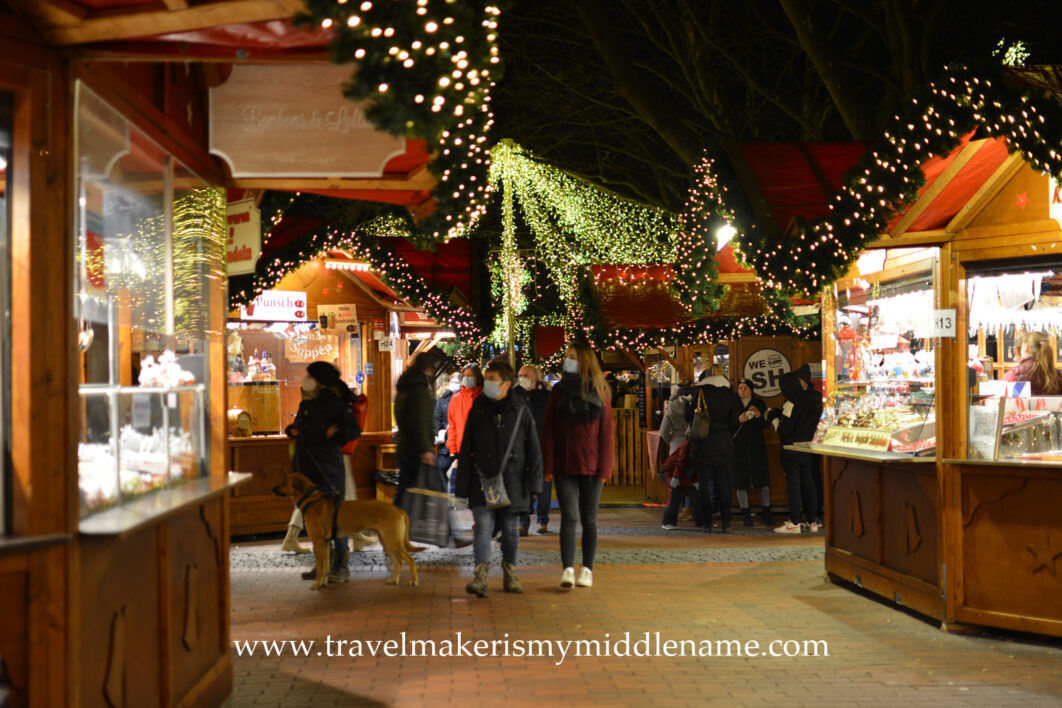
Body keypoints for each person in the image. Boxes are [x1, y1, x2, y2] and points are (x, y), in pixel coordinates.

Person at [456, 361, 543, 597]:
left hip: (514, 481)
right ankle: (481, 576)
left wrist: (535, 485)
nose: (488, 383)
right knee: (483, 528)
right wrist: (461, 487)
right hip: (482, 480)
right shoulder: (478, 409)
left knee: (510, 529)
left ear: (506, 384)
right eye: (487, 378)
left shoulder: (520, 409)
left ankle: (510, 573)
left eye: (492, 379)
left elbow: (534, 448)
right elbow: (466, 448)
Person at [542, 341, 615, 589]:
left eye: (572, 356)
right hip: (564, 465)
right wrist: (549, 466)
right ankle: (567, 570)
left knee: (589, 519)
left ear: (584, 360)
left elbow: (607, 433)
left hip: (593, 466)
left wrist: (606, 469)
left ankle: (587, 569)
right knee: (568, 518)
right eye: (566, 356)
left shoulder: (600, 390)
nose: (567, 360)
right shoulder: (558, 391)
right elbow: (549, 430)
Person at [285, 361, 360, 582]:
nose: (305, 379)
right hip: (307, 466)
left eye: (310, 376)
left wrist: (332, 435)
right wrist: (294, 429)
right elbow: (299, 423)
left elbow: (352, 430)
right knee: (313, 517)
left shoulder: (335, 403)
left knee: (335, 515)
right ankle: (322, 565)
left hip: (327, 467)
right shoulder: (309, 401)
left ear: (320, 380)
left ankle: (340, 565)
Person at [767, 364, 823, 533]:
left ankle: (795, 522)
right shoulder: (812, 399)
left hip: (790, 448)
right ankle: (812, 521)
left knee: (794, 485)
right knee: (808, 483)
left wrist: (773, 419)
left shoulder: (791, 403)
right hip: (807, 447)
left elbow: (785, 430)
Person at [686, 366, 741, 533]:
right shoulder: (730, 395)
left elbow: (687, 416)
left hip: (703, 443)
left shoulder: (700, 393)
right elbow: (734, 422)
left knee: (704, 484)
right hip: (723, 443)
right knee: (723, 482)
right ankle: (726, 522)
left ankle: (707, 522)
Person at [393, 353, 436, 510]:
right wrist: (426, 449)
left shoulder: (404, 388)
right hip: (416, 449)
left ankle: (399, 523)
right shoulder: (419, 390)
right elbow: (421, 421)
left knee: (405, 488)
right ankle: (402, 524)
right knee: (411, 489)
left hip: (404, 446)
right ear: (429, 367)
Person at [514, 364, 551, 535]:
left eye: (525, 375)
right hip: (521, 448)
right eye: (520, 374)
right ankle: (523, 521)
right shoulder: (514, 396)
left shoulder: (546, 397)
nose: (521, 377)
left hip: (542, 447)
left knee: (543, 485)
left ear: (535, 377)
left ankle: (542, 520)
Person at [731, 378, 771, 526]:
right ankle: (746, 514)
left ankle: (766, 512)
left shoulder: (759, 403)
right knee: (740, 481)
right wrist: (738, 420)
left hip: (756, 446)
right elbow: (728, 423)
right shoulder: (733, 403)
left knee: (762, 481)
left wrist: (760, 416)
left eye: (745, 388)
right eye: (740, 388)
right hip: (739, 447)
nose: (742, 391)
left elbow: (766, 423)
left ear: (751, 390)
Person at [660, 441, 705, 530]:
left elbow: (695, 463)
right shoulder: (688, 445)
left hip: (679, 472)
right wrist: (676, 476)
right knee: (675, 493)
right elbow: (681, 460)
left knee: (694, 494)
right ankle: (668, 521)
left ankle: (701, 521)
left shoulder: (695, 444)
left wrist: (695, 480)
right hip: (670, 470)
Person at [446, 364, 483, 464]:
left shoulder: (484, 397)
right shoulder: (455, 399)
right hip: (462, 449)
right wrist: (453, 451)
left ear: (477, 378)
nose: (467, 378)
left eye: (470, 375)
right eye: (465, 375)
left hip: (482, 450)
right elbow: (452, 427)